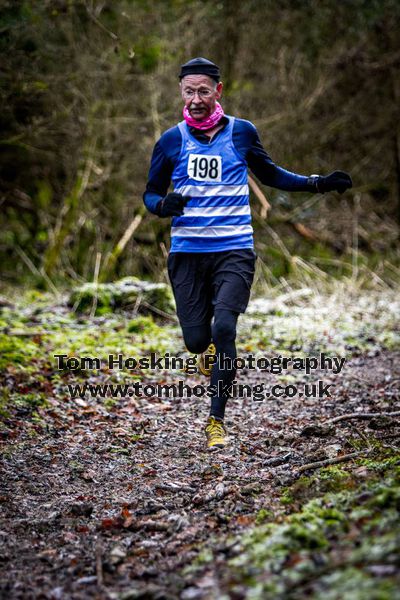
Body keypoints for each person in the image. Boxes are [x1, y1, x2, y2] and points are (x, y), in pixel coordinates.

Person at [143, 57, 352, 450]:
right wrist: (161, 205)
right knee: (194, 341)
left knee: (225, 328)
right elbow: (150, 192)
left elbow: (271, 174)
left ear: (218, 91)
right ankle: (202, 350)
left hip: (234, 249)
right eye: (189, 91)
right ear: (180, 93)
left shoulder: (241, 133)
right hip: (187, 252)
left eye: (204, 90)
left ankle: (215, 421)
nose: (196, 99)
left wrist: (318, 183)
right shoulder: (171, 140)